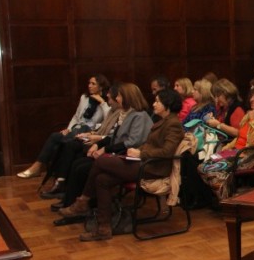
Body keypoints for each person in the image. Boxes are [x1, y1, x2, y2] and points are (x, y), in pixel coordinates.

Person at [60, 88, 184, 241]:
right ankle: (104, 228)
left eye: (158, 101)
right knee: (102, 180)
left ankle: (83, 201)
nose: (154, 104)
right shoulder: (162, 121)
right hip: (143, 162)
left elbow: (167, 152)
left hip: (153, 168)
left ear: (168, 105)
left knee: (101, 160)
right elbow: (150, 145)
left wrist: (140, 153)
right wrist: (136, 151)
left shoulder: (173, 125)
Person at [55, 83, 153, 214]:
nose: (117, 98)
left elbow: (131, 142)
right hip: (116, 152)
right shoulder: (126, 113)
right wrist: (99, 145)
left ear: (127, 97)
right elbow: (113, 136)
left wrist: (105, 150)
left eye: (119, 96)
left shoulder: (139, 116)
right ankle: (72, 201)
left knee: (82, 168)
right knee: (78, 163)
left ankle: (82, 204)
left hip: (127, 157)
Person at [18, 74, 112, 178]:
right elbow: (76, 117)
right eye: (89, 83)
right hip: (77, 129)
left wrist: (102, 103)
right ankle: (38, 166)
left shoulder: (107, 102)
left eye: (93, 84)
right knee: (55, 136)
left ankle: (51, 173)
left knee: (64, 143)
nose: (89, 86)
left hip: (90, 133)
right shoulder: (84, 98)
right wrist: (69, 128)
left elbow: (109, 119)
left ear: (101, 86)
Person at [40, 83, 122, 200]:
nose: (107, 96)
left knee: (72, 149)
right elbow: (97, 126)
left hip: (105, 145)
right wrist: (90, 134)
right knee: (65, 145)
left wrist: (97, 137)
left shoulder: (116, 111)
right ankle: (63, 185)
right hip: (94, 137)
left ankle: (64, 187)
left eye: (110, 96)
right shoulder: (105, 108)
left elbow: (114, 136)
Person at [198, 85, 254, 199]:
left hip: (251, 156)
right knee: (202, 167)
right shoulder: (247, 116)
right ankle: (228, 199)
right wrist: (227, 147)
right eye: (251, 96)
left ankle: (226, 202)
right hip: (236, 152)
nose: (252, 99)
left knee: (212, 170)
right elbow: (239, 138)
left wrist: (253, 120)